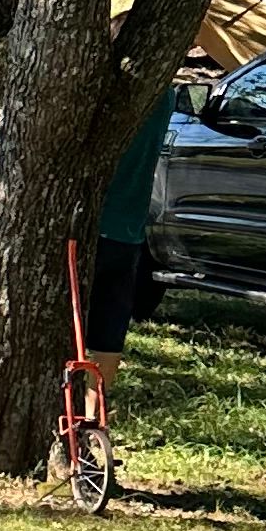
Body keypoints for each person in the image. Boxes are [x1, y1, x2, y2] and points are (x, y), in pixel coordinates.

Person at [85, 76, 178, 353]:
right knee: (107, 332)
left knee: (69, 328)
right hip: (129, 232)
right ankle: (98, 395)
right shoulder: (164, 95)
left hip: (92, 227)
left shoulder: (104, 90)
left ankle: (66, 395)